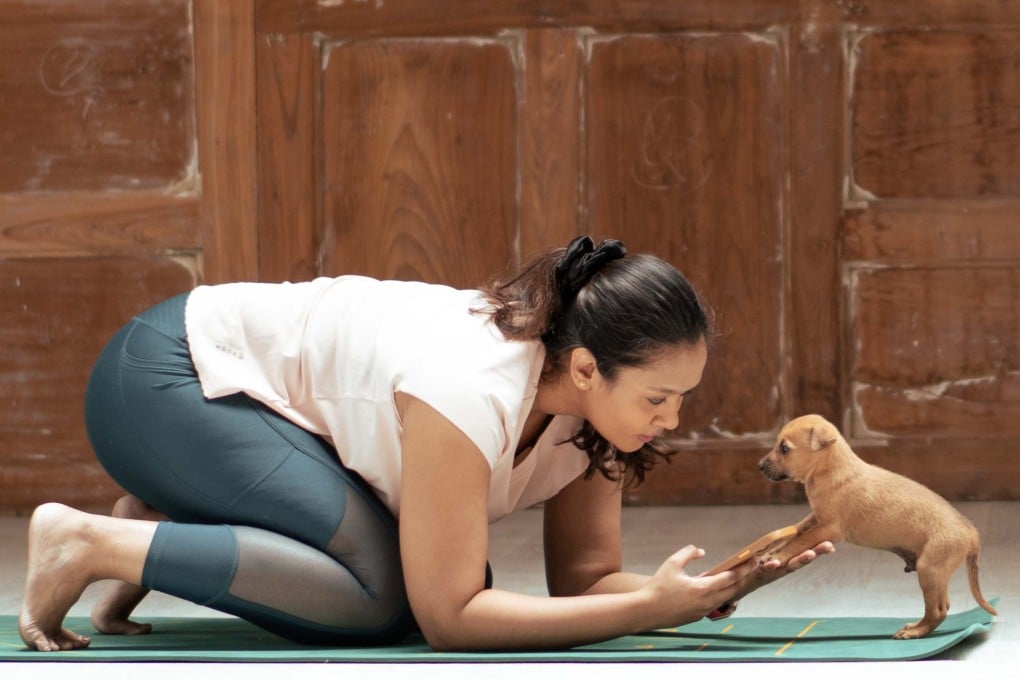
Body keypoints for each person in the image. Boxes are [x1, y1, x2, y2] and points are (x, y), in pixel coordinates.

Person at [19, 236, 833, 652]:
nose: (672, 420)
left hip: (227, 415)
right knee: (390, 600)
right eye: (659, 398)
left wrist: (708, 586)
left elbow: (584, 579)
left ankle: (159, 517)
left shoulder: (588, 417)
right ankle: (87, 540)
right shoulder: (470, 387)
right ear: (586, 367)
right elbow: (451, 618)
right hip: (166, 380)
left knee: (415, 584)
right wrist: (641, 616)